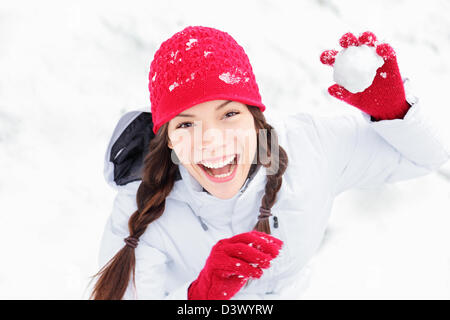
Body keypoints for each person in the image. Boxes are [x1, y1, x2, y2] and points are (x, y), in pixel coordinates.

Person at [89, 26, 449, 300]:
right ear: (167, 138)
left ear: (256, 117)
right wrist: (199, 298)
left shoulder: (311, 148)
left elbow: (426, 157)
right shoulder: (140, 207)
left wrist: (393, 111)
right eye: (186, 124)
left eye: (229, 114)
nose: (212, 140)